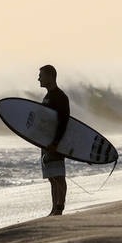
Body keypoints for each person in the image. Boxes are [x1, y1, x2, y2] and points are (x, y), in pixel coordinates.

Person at [37, 64, 70, 216]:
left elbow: (63, 122)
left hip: (55, 143)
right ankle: (54, 207)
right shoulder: (48, 96)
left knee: (58, 175)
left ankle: (59, 207)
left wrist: (56, 142)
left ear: (50, 76)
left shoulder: (60, 97)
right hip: (46, 142)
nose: (39, 79)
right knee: (51, 177)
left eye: (41, 75)